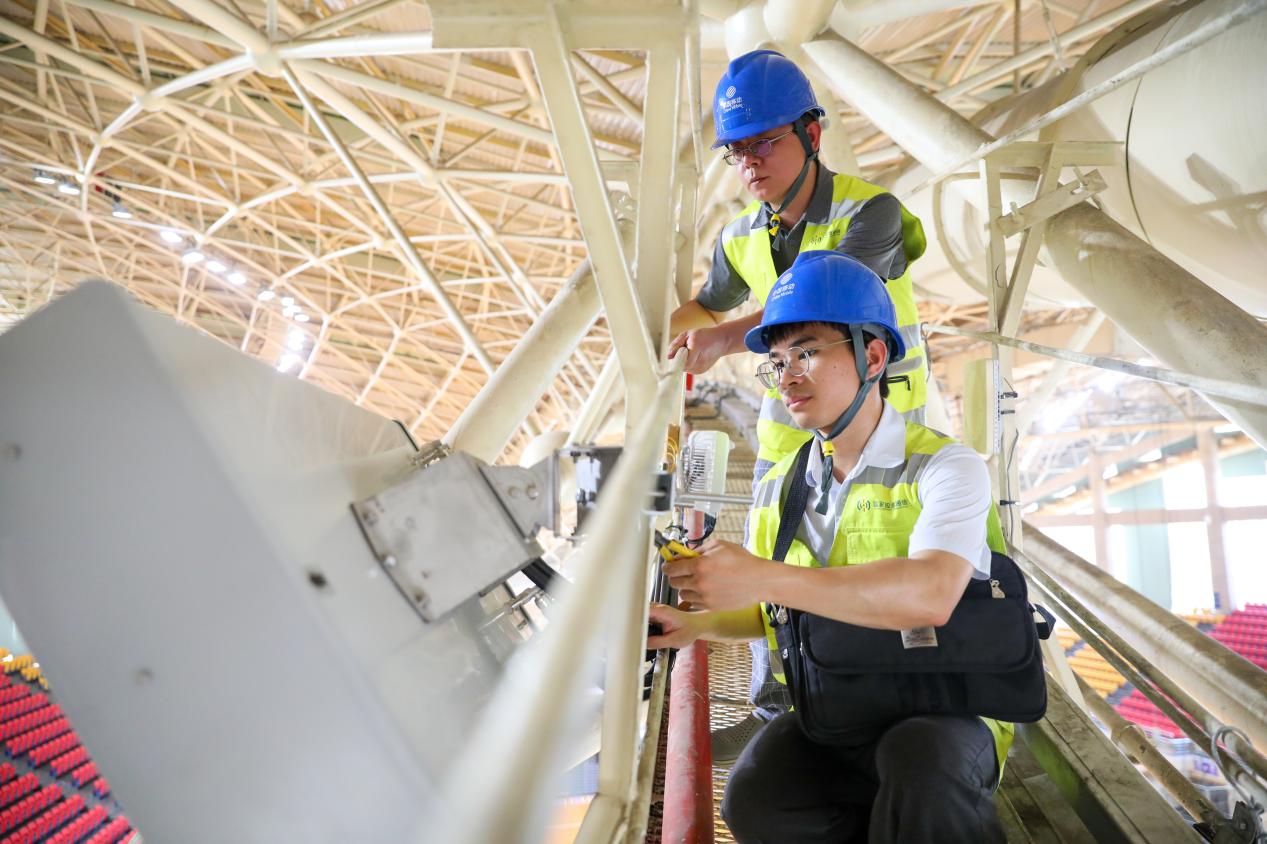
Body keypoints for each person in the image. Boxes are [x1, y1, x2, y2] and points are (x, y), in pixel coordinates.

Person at [651, 251, 1010, 843]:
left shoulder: (946, 467)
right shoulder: (779, 485)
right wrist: (698, 624)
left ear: (874, 356)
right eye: (776, 362)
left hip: (947, 709)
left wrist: (762, 577)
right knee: (756, 798)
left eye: (808, 352)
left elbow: (931, 595)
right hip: (839, 706)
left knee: (922, 767)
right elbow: (774, 614)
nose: (787, 377)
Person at [669, 48, 932, 761]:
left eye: (764, 141)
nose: (749, 162)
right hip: (789, 423)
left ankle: (890, 709)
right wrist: (648, 339)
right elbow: (707, 304)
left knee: (868, 558)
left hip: (878, 424)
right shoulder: (740, 237)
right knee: (772, 559)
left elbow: (825, 294)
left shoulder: (870, 212)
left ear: (811, 134)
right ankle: (777, 708)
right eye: (736, 150)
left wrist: (724, 339)